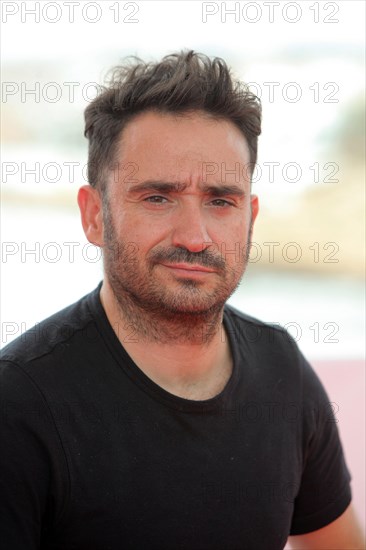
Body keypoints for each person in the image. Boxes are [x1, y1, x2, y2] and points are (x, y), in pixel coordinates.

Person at [0, 50, 364, 550]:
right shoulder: (19, 405)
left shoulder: (284, 371)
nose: (195, 236)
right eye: (157, 197)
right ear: (94, 216)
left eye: (220, 201)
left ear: (250, 218)